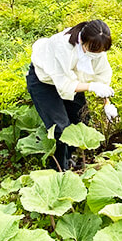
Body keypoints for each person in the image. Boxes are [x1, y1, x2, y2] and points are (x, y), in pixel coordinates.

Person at [27, 19, 117, 171]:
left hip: (74, 82)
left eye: (101, 51)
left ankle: (69, 157)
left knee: (80, 119)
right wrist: (91, 86)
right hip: (45, 82)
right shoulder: (62, 46)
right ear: (83, 40)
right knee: (60, 127)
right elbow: (64, 85)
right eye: (94, 50)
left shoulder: (96, 48)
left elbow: (101, 76)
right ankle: (59, 170)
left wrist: (107, 103)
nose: (98, 54)